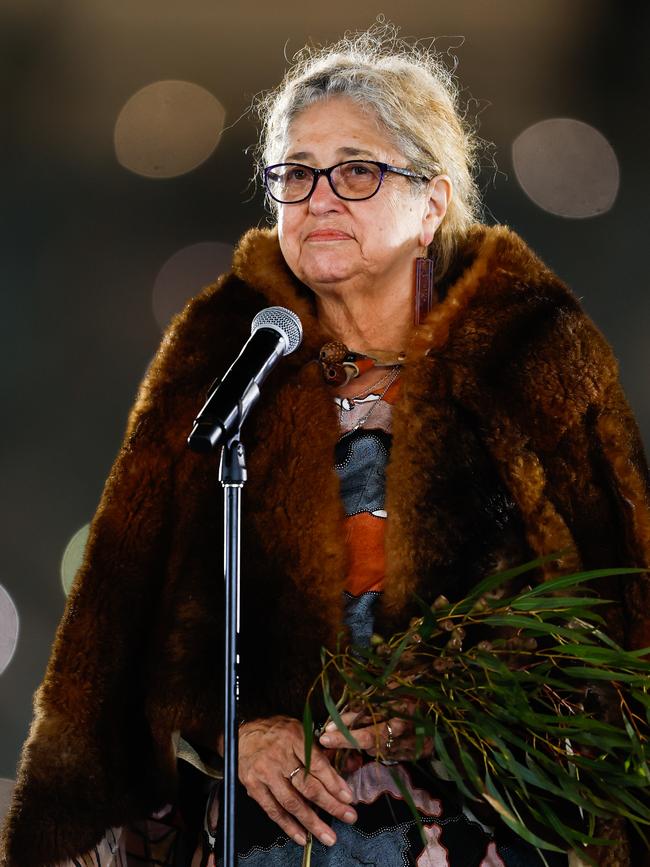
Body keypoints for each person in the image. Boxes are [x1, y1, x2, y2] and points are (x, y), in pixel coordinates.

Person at [3, 24, 650, 867]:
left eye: (356, 171)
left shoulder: (529, 349)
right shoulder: (225, 350)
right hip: (272, 836)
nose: (318, 198)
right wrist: (234, 733)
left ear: (432, 201)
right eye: (295, 174)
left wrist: (454, 705)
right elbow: (129, 613)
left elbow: (619, 614)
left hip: (481, 829)